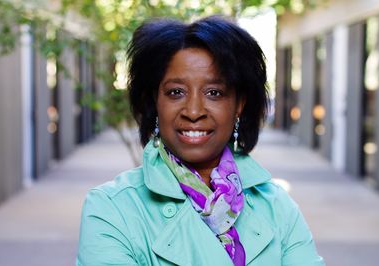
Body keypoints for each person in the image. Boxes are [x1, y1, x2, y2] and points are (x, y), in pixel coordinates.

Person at [77, 16, 325, 266]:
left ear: (239, 104)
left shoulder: (277, 206)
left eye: (214, 93)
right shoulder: (111, 209)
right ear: (155, 102)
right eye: (176, 92)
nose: (194, 111)